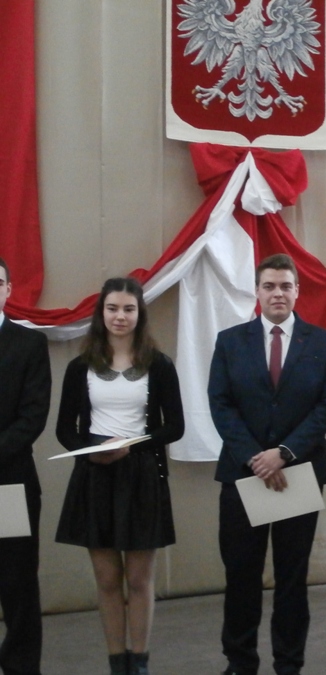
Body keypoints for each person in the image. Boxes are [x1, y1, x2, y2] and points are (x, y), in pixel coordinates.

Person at [208, 253, 326, 675]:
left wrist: (283, 453)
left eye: (285, 286)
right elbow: (220, 403)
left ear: (297, 291)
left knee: (291, 578)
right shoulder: (230, 341)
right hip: (243, 474)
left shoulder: (323, 343)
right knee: (241, 575)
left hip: (298, 473)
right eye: (269, 286)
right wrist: (256, 457)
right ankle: (240, 661)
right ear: (257, 291)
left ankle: (288, 663)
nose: (277, 293)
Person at [55, 277, 184, 675]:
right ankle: (117, 662)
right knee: (108, 579)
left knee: (139, 579)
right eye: (112, 308)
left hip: (142, 474)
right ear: (101, 313)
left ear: (139, 314)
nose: (120, 316)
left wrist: (132, 446)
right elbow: (65, 429)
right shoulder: (80, 367)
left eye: (128, 309)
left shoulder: (159, 365)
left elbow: (175, 427)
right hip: (96, 475)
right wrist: (91, 450)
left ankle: (139, 661)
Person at [0, 257, 51, 675]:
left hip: (9, 484)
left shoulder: (28, 344)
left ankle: (20, 666)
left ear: (7, 289)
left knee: (16, 580)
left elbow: (33, 417)